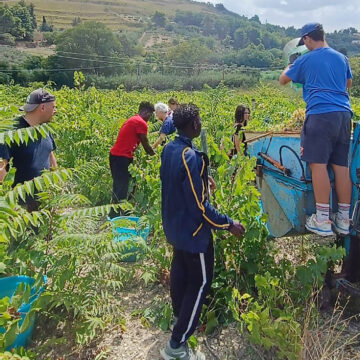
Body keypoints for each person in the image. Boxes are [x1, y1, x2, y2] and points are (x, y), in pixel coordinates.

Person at [159, 104, 245, 360]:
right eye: (198, 120)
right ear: (193, 125)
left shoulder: (170, 149)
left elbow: (176, 181)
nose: (200, 124)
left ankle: (178, 318)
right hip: (193, 232)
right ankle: (176, 345)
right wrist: (229, 224)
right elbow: (200, 207)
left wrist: (202, 179)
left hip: (174, 227)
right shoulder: (190, 156)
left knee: (180, 272)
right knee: (200, 283)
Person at [279, 22, 353, 237]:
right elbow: (347, 84)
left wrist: (291, 65)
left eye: (305, 42)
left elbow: (283, 80)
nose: (306, 45)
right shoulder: (341, 58)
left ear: (308, 39)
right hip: (343, 115)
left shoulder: (305, 59)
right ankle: (343, 219)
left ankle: (322, 218)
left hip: (320, 115)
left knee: (317, 165)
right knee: (341, 167)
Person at [0, 88, 57, 212]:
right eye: (53, 107)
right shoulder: (11, 131)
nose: (55, 111)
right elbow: (1, 167)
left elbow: (50, 155)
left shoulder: (45, 129)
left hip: (43, 200)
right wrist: (10, 204)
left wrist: (56, 186)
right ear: (42, 107)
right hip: (20, 205)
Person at [109, 101, 155, 217]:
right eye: (150, 115)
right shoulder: (140, 122)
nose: (150, 118)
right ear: (145, 112)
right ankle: (118, 215)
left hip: (115, 156)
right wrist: (156, 155)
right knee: (122, 188)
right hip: (122, 158)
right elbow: (146, 144)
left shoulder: (133, 119)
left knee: (118, 186)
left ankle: (114, 213)